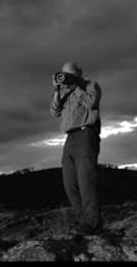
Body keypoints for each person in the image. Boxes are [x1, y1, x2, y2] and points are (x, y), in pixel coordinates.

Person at [50, 61, 103, 235]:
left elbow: (92, 103)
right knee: (69, 183)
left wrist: (77, 87)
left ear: (79, 74)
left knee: (86, 181)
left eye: (70, 74)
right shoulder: (64, 91)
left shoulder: (90, 85)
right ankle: (83, 222)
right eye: (64, 74)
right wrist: (58, 90)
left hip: (86, 134)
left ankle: (93, 224)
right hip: (70, 138)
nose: (67, 77)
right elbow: (54, 112)